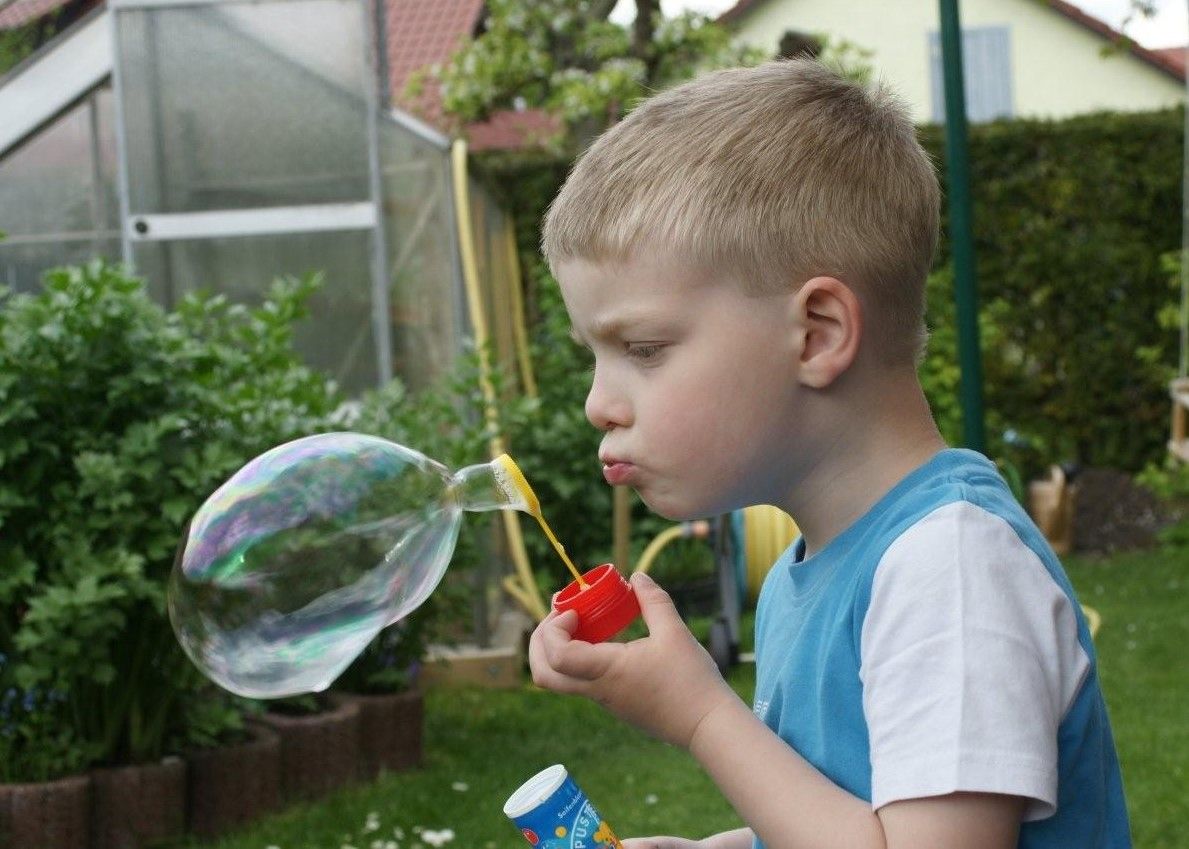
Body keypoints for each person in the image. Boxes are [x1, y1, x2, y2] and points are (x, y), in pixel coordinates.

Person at [527, 59, 1130, 849]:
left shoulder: (947, 568)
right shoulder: (805, 577)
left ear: (817, 334)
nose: (597, 402)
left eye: (642, 347)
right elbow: (859, 820)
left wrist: (705, 715)